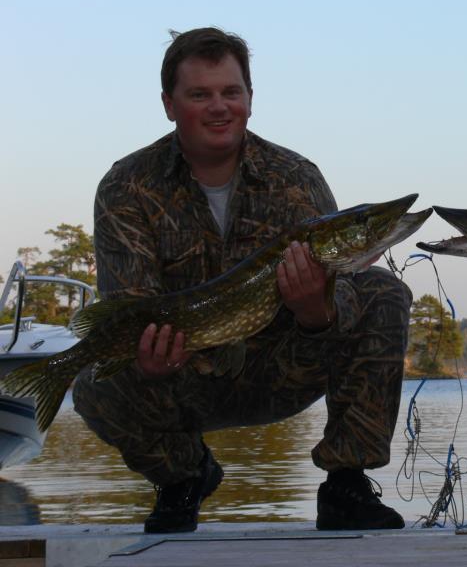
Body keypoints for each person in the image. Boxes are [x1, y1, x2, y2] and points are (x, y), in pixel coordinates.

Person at [73, 27, 412, 533]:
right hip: (182, 377)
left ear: (250, 99)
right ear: (169, 104)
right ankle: (184, 475)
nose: (219, 107)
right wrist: (151, 359)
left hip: (282, 368)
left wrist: (316, 310)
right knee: (92, 386)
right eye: (199, 94)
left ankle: (346, 484)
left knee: (384, 292)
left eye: (231, 92)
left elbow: (342, 301)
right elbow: (129, 306)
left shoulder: (295, 176)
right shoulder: (126, 186)